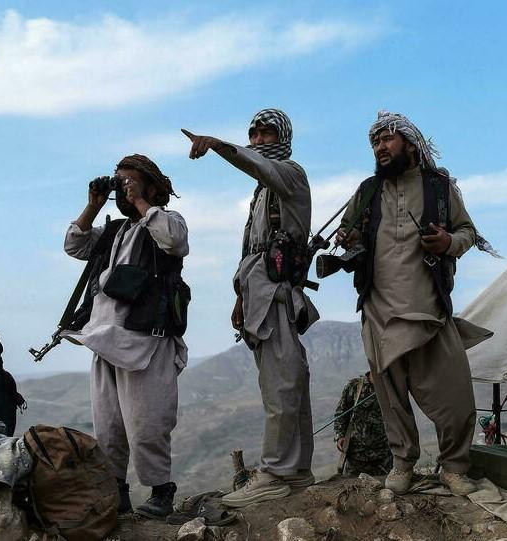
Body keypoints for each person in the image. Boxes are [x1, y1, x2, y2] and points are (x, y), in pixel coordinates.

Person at [335, 111, 495, 496]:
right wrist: (348, 237)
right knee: (390, 399)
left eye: (387, 139)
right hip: (378, 309)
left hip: (429, 308)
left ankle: (454, 467)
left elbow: (468, 232)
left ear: (408, 143)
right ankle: (403, 463)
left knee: (456, 396)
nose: (380, 147)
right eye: (375, 142)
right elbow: (349, 232)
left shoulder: (440, 188)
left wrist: (448, 243)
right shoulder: (367, 190)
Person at [185, 109, 319, 507]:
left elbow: (257, 165)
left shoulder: (289, 174)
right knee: (285, 382)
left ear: (283, 136)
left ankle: (276, 472)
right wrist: (240, 298)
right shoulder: (262, 193)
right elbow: (254, 253)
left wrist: (220, 146)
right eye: (254, 133)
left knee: (283, 384)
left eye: (267, 132)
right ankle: (296, 473)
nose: (259, 139)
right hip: (258, 301)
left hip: (278, 300)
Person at [62, 154, 189, 519]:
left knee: (148, 423)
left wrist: (140, 202)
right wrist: (92, 206)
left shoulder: (166, 221)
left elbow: (175, 241)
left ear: (150, 185)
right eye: (120, 182)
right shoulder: (115, 231)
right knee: (109, 427)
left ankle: (161, 492)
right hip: (103, 340)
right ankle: (116, 492)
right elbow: (74, 245)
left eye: (129, 181)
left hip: (146, 340)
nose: (123, 188)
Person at [333, 372, 392, 477]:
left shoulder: (390, 387)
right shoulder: (354, 386)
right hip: (355, 456)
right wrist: (340, 436)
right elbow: (341, 414)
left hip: (384, 457)